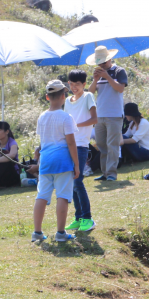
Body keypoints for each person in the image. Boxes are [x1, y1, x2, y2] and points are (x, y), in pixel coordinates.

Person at [31, 80, 82, 243]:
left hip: (45, 161)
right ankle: (60, 233)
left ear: (47, 97)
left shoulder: (42, 117)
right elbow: (71, 142)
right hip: (62, 161)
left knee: (42, 196)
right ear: (63, 96)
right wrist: (77, 164)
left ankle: (37, 233)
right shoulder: (66, 117)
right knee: (63, 196)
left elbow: (43, 141)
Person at [63, 70, 97, 233]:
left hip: (81, 145)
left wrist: (76, 125)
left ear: (84, 84)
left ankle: (88, 218)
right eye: (71, 84)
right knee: (71, 183)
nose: (74, 87)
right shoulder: (68, 101)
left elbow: (94, 119)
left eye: (78, 84)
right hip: (68, 145)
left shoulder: (88, 96)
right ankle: (78, 218)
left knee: (77, 181)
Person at [89, 45, 128, 182]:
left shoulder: (119, 71)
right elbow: (90, 93)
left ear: (110, 59)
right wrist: (95, 79)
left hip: (114, 114)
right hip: (100, 115)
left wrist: (107, 76)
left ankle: (111, 173)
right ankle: (105, 172)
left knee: (113, 145)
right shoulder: (98, 74)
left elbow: (120, 89)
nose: (101, 64)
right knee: (101, 144)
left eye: (103, 62)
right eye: (99, 62)